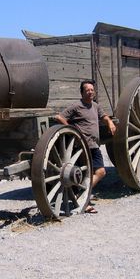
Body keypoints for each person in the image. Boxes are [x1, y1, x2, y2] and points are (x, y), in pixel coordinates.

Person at [55, 79, 116, 213]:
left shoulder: (95, 106)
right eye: (87, 90)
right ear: (82, 93)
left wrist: (110, 122)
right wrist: (71, 129)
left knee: (100, 172)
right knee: (85, 173)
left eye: (92, 90)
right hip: (82, 146)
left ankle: (82, 193)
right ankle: (84, 199)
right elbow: (59, 117)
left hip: (94, 145)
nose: (90, 92)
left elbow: (103, 116)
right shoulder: (77, 106)